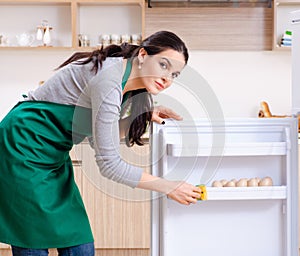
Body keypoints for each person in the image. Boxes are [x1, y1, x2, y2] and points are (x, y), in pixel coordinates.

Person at [0, 30, 202, 256]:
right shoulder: (110, 79)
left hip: (52, 155)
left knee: (79, 245)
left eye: (174, 74)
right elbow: (109, 164)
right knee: (33, 241)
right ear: (143, 55)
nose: (167, 79)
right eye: (163, 65)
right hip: (21, 148)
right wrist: (167, 186)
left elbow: (97, 137)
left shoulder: (127, 83)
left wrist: (143, 115)